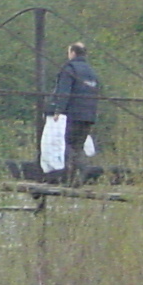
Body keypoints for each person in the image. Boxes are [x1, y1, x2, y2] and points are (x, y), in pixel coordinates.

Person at [49, 41, 100, 181]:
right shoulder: (91, 72)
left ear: (72, 53)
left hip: (75, 114)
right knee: (79, 146)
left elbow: (64, 90)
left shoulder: (70, 68)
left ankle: (70, 179)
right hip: (89, 115)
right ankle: (82, 176)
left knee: (70, 145)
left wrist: (58, 109)